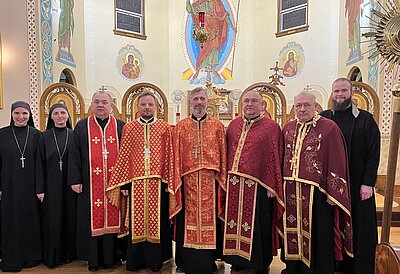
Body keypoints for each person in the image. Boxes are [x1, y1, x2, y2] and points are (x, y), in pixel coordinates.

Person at [281, 91, 353, 274]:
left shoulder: (329, 128)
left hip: (319, 193)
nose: (302, 109)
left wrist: (334, 192)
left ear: (315, 107)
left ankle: (318, 269)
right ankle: (294, 268)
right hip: (290, 190)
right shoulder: (288, 128)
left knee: (319, 233)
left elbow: (337, 159)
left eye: (306, 105)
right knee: (292, 230)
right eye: (298, 106)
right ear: (294, 108)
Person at [107, 91, 173, 272]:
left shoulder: (164, 127)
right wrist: (125, 184)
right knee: (136, 222)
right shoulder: (129, 127)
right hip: (135, 184)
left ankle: (155, 261)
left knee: (157, 221)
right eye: (143, 104)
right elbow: (125, 156)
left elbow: (169, 156)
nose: (147, 107)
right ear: (138, 107)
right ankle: (135, 261)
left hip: (158, 183)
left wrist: (168, 181)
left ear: (156, 107)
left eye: (150, 105)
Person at [321, 78, 380, 274]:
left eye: (343, 91)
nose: (340, 94)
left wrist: (368, 183)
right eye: (336, 91)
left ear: (351, 93)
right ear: (332, 93)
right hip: (330, 187)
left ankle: (361, 267)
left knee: (360, 227)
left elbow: (373, 152)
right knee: (333, 225)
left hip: (357, 185)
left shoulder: (365, 119)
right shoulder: (324, 118)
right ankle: (336, 263)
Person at [223, 90, 284, 273]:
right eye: (247, 101)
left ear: (262, 105)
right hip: (234, 184)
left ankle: (259, 262)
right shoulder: (233, 125)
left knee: (259, 225)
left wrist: (273, 184)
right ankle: (237, 260)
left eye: (254, 101)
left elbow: (276, 156)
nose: (250, 104)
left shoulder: (271, 127)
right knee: (234, 223)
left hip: (260, 185)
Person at [170, 86, 227, 273]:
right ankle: (185, 262)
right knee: (186, 219)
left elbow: (223, 155)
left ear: (207, 102)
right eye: (196, 99)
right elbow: (175, 156)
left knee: (210, 220)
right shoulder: (181, 127)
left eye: (202, 99)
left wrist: (222, 178)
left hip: (210, 181)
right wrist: (175, 179)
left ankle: (208, 262)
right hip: (187, 182)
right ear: (190, 102)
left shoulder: (217, 126)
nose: (199, 103)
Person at [68, 91, 126, 271]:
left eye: (104, 102)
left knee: (115, 217)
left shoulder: (120, 126)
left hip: (114, 184)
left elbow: (126, 157)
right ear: (92, 104)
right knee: (92, 219)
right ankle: (93, 259)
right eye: (96, 102)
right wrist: (75, 179)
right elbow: (74, 154)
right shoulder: (82, 126)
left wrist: (125, 183)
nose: (100, 105)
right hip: (89, 183)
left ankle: (113, 258)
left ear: (111, 105)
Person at [0, 101, 42, 271]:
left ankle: (31, 256)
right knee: (11, 221)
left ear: (30, 115)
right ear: (11, 115)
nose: (21, 117)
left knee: (29, 220)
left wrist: (40, 188)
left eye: (24, 113)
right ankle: (11, 255)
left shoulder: (37, 135)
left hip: (30, 187)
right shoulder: (2, 134)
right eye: (17, 113)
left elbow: (40, 164)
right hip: (9, 186)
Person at [36, 103, 77, 267]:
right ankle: (53, 256)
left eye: (63, 113)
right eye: (56, 113)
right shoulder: (44, 136)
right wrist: (40, 189)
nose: (60, 116)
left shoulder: (74, 135)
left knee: (69, 218)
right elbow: (38, 163)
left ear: (68, 116)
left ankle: (69, 254)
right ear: (51, 117)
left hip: (70, 186)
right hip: (50, 187)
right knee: (52, 221)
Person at [186, 0, 235, 79]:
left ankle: (214, 68)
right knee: (204, 48)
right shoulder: (199, 3)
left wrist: (232, 26)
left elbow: (224, 15)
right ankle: (198, 69)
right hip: (205, 28)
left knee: (215, 47)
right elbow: (190, 10)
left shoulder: (217, 3)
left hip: (215, 28)